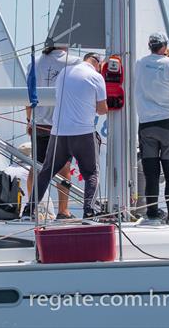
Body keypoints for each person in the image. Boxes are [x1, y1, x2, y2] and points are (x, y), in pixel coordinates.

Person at [32, 52, 107, 219]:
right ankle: (89, 212)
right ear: (97, 63)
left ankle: (27, 211)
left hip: (59, 133)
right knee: (91, 174)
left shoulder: (64, 73)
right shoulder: (96, 77)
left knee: (45, 172)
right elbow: (102, 109)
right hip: (83, 133)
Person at [22, 37, 81, 220]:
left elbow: (28, 93)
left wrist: (28, 120)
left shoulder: (35, 63)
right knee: (64, 167)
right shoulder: (74, 62)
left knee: (36, 167)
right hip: (62, 124)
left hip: (39, 123)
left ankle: (32, 209)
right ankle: (63, 211)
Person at [134, 32, 169, 226]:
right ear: (164, 46)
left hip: (146, 124)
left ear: (150, 45)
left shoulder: (140, 63)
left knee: (151, 172)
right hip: (167, 125)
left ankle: (152, 213)